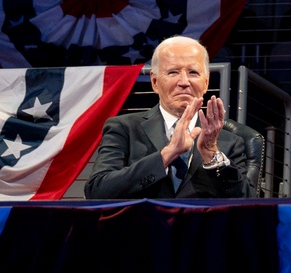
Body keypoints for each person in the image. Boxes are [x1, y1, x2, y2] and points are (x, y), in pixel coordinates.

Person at [85, 35, 247, 199]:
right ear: (154, 82)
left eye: (193, 72)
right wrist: (167, 154)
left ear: (206, 82)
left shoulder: (230, 142)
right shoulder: (124, 128)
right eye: (173, 72)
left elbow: (247, 202)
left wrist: (211, 154)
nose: (184, 82)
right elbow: (98, 191)